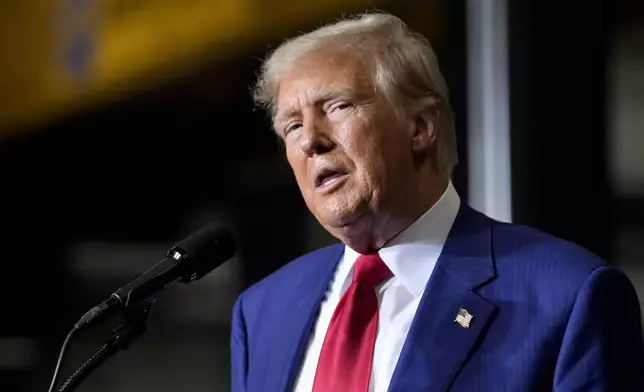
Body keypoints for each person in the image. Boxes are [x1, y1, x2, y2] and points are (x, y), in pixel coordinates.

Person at [231, 12, 644, 392]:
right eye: (292, 126)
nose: (310, 141)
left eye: (338, 106)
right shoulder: (262, 312)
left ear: (421, 128)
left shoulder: (568, 298)